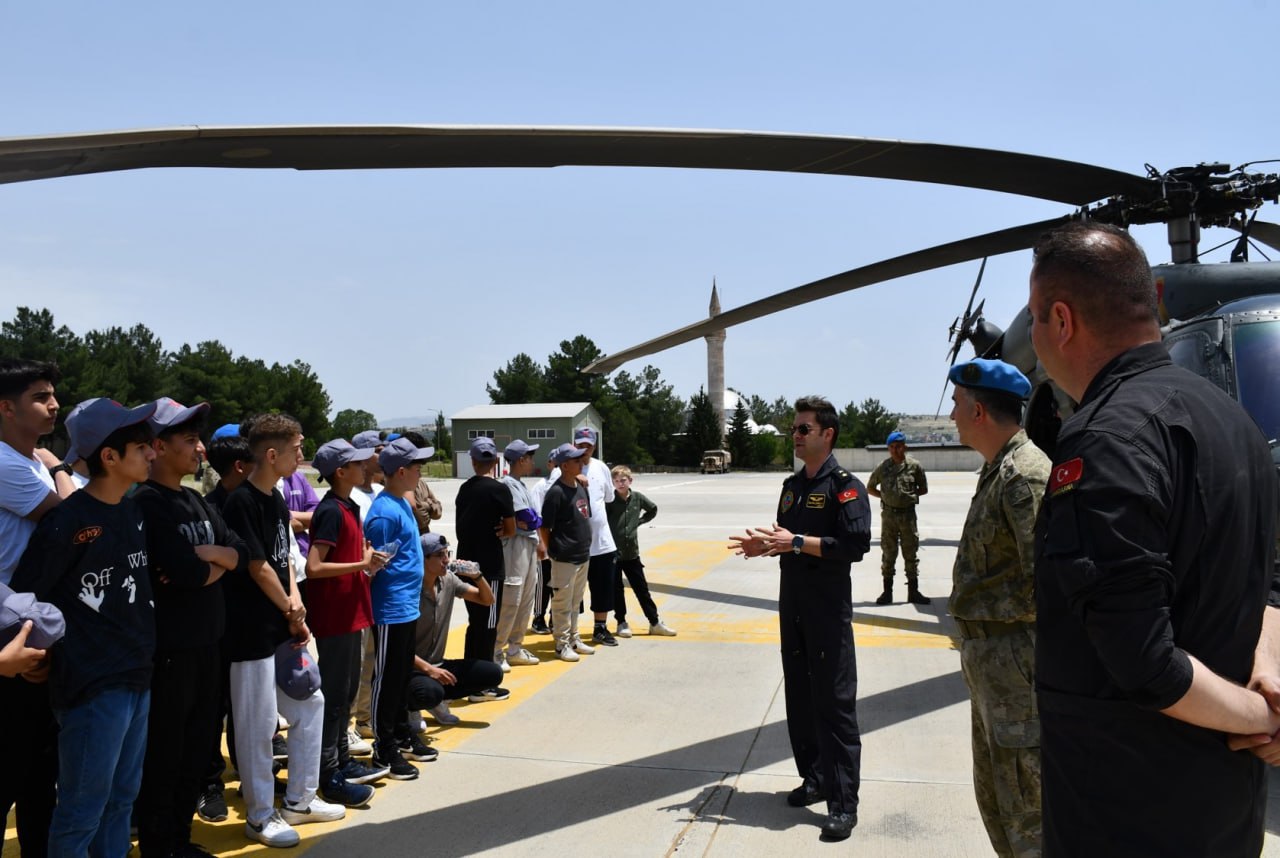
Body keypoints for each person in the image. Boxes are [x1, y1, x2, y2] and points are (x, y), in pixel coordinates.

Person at [1029, 222, 1279, 856]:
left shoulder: (1105, 441)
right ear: (1155, 308)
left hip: (1128, 812)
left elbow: (1144, 660)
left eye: (1035, 321)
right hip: (1223, 807)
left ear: (1061, 320)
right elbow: (1263, 584)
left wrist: (1267, 717)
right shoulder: (1233, 421)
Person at [11, 397, 158, 856]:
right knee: (81, 812)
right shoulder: (67, 521)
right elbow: (27, 597)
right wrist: (37, 656)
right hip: (93, 687)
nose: (152, 453)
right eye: (141, 446)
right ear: (109, 457)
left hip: (138, 676)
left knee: (121, 802)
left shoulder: (134, 511)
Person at [728, 395, 870, 843]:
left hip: (827, 607)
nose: (795, 435)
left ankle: (843, 804)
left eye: (803, 429)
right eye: (794, 429)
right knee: (800, 695)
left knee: (834, 703)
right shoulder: (791, 486)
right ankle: (814, 777)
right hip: (793, 603)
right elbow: (784, 538)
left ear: (827, 434)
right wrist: (764, 546)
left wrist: (794, 542)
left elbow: (854, 545)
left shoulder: (845, 486)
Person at [133, 398, 248, 858]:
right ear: (157, 447)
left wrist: (213, 559)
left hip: (208, 644)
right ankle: (160, 844)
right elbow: (184, 573)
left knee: (199, 747)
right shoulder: (146, 504)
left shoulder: (194, 500)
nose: (200, 448)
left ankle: (179, 839)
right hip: (171, 650)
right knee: (166, 754)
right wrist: (211, 562)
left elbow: (238, 552)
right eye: (188, 440)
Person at [220, 413, 340, 847]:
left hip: (283, 624)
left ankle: (301, 801)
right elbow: (255, 565)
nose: (302, 455)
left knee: (311, 704)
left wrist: (295, 606)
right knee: (257, 727)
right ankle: (260, 815)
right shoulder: (241, 501)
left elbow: (284, 559)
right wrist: (289, 606)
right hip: (250, 632)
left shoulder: (275, 500)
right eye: (296, 448)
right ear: (272, 454)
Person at [946, 360, 1050, 858]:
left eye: (957, 405)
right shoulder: (998, 471)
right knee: (998, 805)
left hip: (1016, 670)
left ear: (980, 409)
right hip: (992, 667)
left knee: (1027, 817)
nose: (951, 416)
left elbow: (1049, 587)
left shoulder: (1023, 477)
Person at [0, 358, 70, 854]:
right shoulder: (5, 463)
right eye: (40, 397)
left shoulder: (28, 462)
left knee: (38, 774)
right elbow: (74, 522)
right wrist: (62, 467)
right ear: (6, 408)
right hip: (8, 630)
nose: (53, 405)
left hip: (31, 620)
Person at [305, 439, 391, 808]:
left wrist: (366, 557)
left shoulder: (349, 506)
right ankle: (329, 774)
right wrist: (361, 564)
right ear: (341, 472)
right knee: (335, 697)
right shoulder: (331, 511)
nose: (365, 467)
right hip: (335, 615)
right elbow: (314, 566)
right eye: (357, 464)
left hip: (351, 610)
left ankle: (341, 761)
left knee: (346, 693)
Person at [364, 436, 437, 780]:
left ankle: (401, 733)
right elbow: (373, 564)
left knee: (401, 676)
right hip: (390, 606)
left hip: (406, 604)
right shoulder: (383, 513)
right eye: (418, 467)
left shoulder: (401, 504)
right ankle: (383, 747)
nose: (421, 473)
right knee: (387, 679)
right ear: (402, 471)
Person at [407, 533, 505, 726]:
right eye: (440, 555)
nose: (446, 560)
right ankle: (411, 707)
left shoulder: (448, 581)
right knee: (428, 691)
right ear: (423, 559)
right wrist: (429, 670)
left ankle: (437, 701)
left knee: (492, 673)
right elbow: (398, 646)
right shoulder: (409, 590)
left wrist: (477, 576)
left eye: (447, 553)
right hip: (411, 668)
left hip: (438, 664)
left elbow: (487, 600)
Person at [454, 437, 516, 695]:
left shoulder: (465, 489)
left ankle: (470, 679)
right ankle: (481, 685)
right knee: (488, 627)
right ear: (495, 461)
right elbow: (511, 528)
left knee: (475, 624)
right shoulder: (499, 489)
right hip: (488, 568)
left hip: (465, 563)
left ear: (472, 461)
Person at [540, 443, 595, 662]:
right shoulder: (556, 492)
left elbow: (583, 516)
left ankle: (574, 638)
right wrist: (552, 550)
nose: (581, 462)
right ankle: (560, 644)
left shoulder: (580, 486)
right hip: (564, 556)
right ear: (564, 465)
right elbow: (545, 527)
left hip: (582, 554)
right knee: (562, 603)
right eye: (575, 460)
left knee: (575, 601)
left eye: (581, 459)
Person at [606, 465, 675, 637]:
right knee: (617, 590)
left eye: (623, 480)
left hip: (632, 554)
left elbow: (653, 509)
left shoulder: (637, 498)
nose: (620, 484)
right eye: (616, 481)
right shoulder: (610, 500)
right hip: (614, 553)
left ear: (630, 481)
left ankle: (654, 622)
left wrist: (640, 521)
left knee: (642, 589)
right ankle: (621, 622)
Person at [495, 439, 543, 670]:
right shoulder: (507, 484)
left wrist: (534, 522)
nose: (532, 461)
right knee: (511, 599)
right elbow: (527, 517)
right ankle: (497, 650)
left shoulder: (521, 485)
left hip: (528, 543)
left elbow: (532, 520)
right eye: (529, 457)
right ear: (520, 460)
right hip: (514, 547)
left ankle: (515, 647)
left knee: (526, 598)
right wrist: (534, 521)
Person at [866, 430, 929, 605]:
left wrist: (908, 496)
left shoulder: (914, 466)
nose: (895, 450)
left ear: (905, 447)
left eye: (898, 446)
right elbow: (870, 487)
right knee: (888, 553)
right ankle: (887, 592)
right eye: (892, 447)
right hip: (889, 517)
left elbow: (923, 489)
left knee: (911, 553)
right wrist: (885, 497)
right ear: (888, 449)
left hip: (908, 516)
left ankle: (913, 592)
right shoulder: (883, 467)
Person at [401, 430, 443, 534]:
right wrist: (429, 503)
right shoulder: (401, 485)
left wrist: (425, 505)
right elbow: (421, 520)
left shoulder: (421, 483)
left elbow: (438, 512)